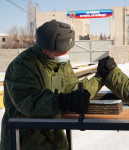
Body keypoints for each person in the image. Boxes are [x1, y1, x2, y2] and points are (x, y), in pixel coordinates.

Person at [0, 20, 104, 150]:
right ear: (45, 50)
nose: (67, 53)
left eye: (68, 49)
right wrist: (62, 102)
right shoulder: (23, 66)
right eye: (62, 50)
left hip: (54, 139)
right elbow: (28, 101)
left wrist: (100, 77)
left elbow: (72, 88)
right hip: (25, 141)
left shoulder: (61, 63)